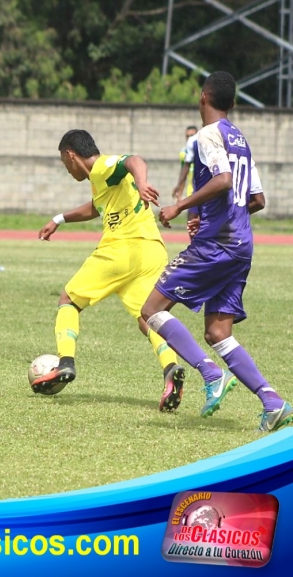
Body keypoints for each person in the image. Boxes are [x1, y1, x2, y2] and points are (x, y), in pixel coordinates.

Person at [141, 71, 292, 433]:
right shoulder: (240, 139)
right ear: (233, 102)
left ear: (203, 96)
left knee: (149, 312)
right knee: (218, 332)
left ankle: (211, 374)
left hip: (217, 245)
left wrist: (180, 208)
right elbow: (256, 200)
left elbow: (223, 180)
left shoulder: (207, 135)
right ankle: (272, 401)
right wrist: (208, 216)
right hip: (241, 244)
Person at [32, 129, 186, 412]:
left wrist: (142, 183)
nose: (67, 170)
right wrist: (59, 218)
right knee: (148, 317)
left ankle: (65, 363)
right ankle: (170, 368)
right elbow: (96, 207)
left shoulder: (102, 166)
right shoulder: (101, 181)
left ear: (71, 155)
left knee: (68, 299)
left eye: (64, 164)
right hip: (151, 249)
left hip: (121, 249)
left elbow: (134, 160)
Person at [172, 125, 198, 202]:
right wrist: (179, 191)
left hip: (202, 189)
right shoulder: (183, 153)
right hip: (191, 191)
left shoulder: (203, 150)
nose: (189, 138)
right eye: (187, 136)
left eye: (192, 136)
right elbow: (184, 172)